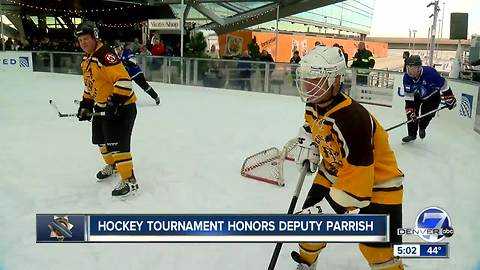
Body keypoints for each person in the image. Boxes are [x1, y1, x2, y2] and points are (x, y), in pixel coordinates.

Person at [292, 46, 405, 270]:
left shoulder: (353, 119)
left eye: (316, 79)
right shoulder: (313, 103)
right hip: (336, 171)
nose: (308, 86)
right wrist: (313, 141)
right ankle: (306, 265)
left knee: (377, 250)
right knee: (308, 226)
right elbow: (318, 125)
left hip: (379, 183)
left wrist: (325, 209)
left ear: (336, 82)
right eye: (306, 78)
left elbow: (359, 182)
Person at [75, 21, 139, 198]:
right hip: (102, 108)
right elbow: (91, 86)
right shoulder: (86, 59)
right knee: (101, 141)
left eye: (86, 38)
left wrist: (115, 103)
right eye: (80, 40)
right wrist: (85, 105)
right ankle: (113, 166)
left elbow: (125, 81)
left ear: (94, 37)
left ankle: (130, 181)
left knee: (117, 145)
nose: (83, 43)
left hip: (122, 108)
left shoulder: (105, 56)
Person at [401, 55, 457, 143]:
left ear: (419, 68)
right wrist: (410, 110)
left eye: (413, 68)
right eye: (408, 68)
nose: (410, 71)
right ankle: (412, 134)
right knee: (411, 115)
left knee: (426, 115)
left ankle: (422, 127)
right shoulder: (406, 78)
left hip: (432, 96)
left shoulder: (431, 74)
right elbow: (409, 96)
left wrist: (449, 97)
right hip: (417, 95)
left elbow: (444, 84)